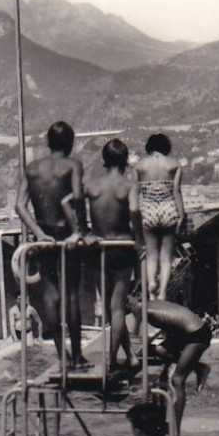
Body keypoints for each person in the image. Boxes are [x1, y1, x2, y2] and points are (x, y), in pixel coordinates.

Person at [15, 120, 87, 368]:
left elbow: (19, 205)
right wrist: (80, 231)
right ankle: (77, 355)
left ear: (48, 142)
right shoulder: (72, 165)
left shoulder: (32, 169)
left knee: (50, 294)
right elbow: (77, 198)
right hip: (66, 234)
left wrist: (38, 233)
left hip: (43, 233)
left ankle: (62, 356)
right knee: (72, 294)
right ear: (70, 143)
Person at [84, 138, 140, 374]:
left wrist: (84, 232)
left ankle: (130, 357)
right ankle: (112, 361)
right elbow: (135, 212)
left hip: (99, 250)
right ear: (126, 161)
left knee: (110, 308)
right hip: (122, 248)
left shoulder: (92, 185)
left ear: (104, 161)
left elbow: (72, 206)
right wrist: (141, 242)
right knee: (117, 308)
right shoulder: (129, 185)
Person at [142, 299, 214, 436]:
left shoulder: (148, 311)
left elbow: (173, 332)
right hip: (191, 333)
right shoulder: (155, 304)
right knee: (159, 351)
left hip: (197, 336)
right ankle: (198, 368)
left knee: (177, 380)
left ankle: (176, 430)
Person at [131, 132, 185, 301]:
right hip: (168, 207)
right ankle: (162, 292)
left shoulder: (140, 166)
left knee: (151, 253)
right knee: (167, 255)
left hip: (148, 208)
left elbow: (135, 193)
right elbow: (177, 191)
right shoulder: (174, 164)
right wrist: (182, 215)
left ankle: (151, 288)